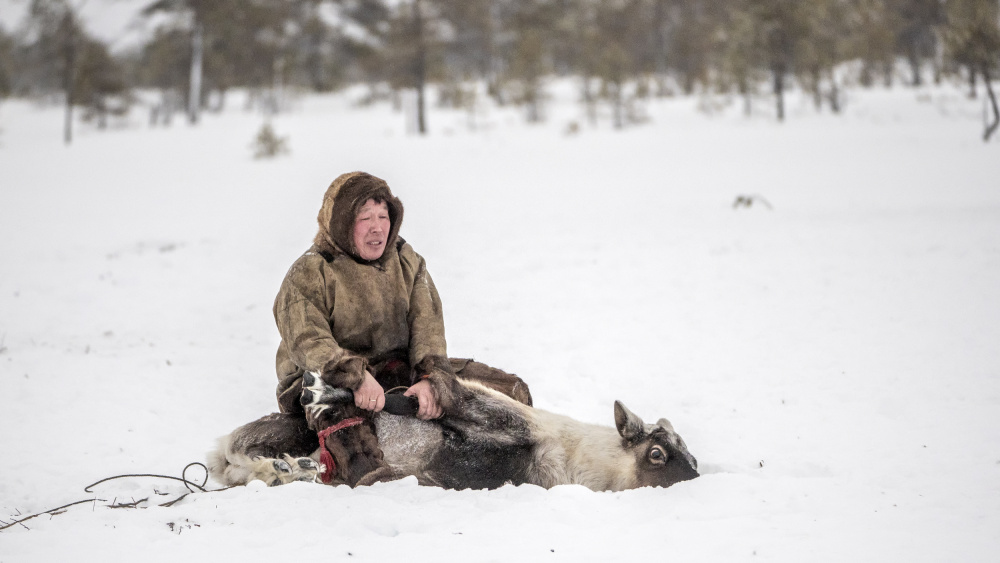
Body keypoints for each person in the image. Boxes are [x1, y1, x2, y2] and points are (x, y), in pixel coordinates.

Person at [272, 171, 532, 484]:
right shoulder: (311, 270)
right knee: (340, 420)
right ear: (341, 222)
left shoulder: (408, 262)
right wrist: (356, 377)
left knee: (508, 390)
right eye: (364, 217)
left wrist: (430, 379)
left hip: (394, 368)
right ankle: (352, 465)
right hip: (325, 376)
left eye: (383, 215)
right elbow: (309, 341)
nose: (377, 226)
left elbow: (428, 331)